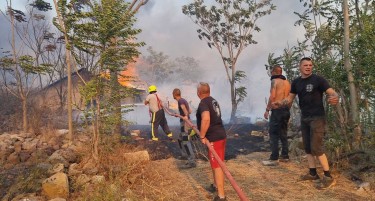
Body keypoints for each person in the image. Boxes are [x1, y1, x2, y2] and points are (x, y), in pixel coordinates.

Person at [273, 57, 339, 189]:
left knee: (316, 147)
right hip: (305, 118)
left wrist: (334, 97)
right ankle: (313, 173)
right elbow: (290, 98)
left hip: (317, 118)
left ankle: (328, 176)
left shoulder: (318, 80)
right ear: (300, 67)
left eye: (310, 65)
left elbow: (331, 92)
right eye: (305, 65)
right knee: (308, 147)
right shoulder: (296, 82)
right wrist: (280, 102)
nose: (308, 67)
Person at [196, 82, 227, 201]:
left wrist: (202, 136)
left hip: (214, 138)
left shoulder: (203, 103)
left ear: (199, 93)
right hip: (221, 135)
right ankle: (215, 185)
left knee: (217, 165)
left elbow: (206, 118)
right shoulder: (213, 100)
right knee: (216, 163)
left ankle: (221, 196)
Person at [263, 65, 291, 166]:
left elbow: (273, 96)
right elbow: (289, 98)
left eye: (271, 72)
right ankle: (285, 156)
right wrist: (287, 110)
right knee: (283, 133)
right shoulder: (287, 82)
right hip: (286, 110)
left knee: (273, 133)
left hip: (277, 110)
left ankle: (274, 158)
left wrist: (267, 110)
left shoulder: (274, 81)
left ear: (274, 72)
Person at [172, 88, 196, 168]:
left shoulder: (180, 101)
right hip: (185, 122)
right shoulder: (183, 100)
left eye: (173, 94)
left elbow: (186, 111)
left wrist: (184, 116)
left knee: (185, 141)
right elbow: (190, 111)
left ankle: (191, 162)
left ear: (174, 94)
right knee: (180, 138)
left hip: (185, 124)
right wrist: (180, 115)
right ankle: (184, 155)